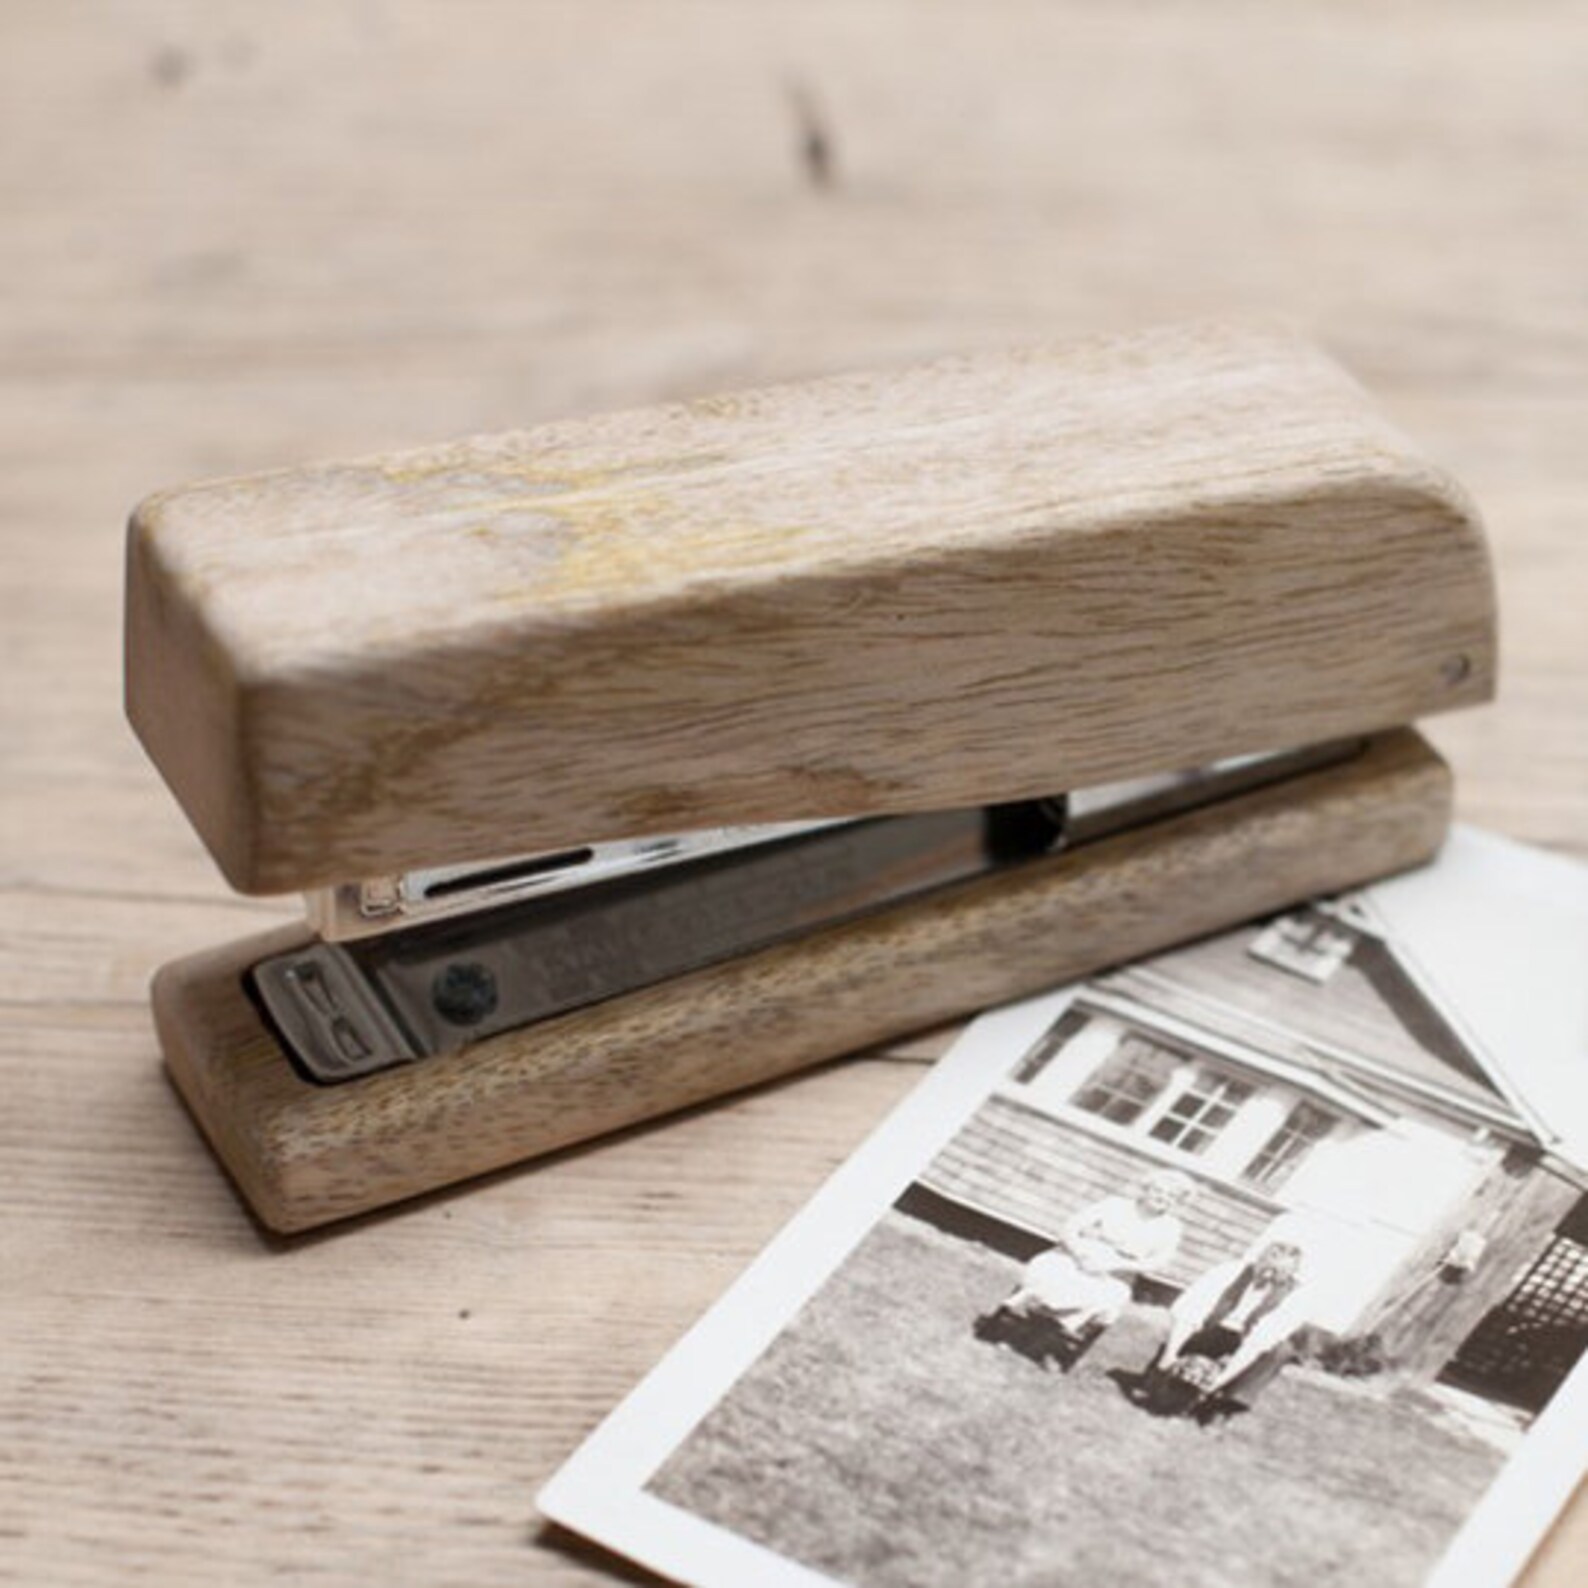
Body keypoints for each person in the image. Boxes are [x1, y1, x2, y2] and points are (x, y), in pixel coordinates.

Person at [997, 1168, 1192, 1338]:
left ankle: (1049, 1335)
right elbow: (1071, 1226)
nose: (1163, 1198)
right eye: (1158, 1191)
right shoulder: (1114, 1205)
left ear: (1177, 1204)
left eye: (1172, 1197)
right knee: (1051, 1270)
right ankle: (1016, 1323)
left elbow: (1158, 1261)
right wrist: (1079, 1253)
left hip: (1117, 1271)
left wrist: (1117, 1265)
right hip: (1079, 1255)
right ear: (1146, 1190)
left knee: (1110, 1296)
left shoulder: (1171, 1227)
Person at [1149, 1240, 1311, 1417]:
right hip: (1212, 1329)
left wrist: (1218, 1382)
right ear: (1258, 1259)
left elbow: (1257, 1343)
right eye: (1266, 1266)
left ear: (1291, 1275)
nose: (1268, 1274)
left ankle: (1226, 1405)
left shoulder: (1296, 1298)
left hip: (1246, 1340)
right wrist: (1170, 1355)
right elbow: (1189, 1313)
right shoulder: (1229, 1271)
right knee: (1160, 1388)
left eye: (1278, 1272)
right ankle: (1168, 1376)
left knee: (1281, 1351)